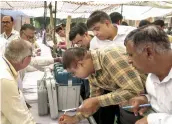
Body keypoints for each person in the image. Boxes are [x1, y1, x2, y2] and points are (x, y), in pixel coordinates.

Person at [58, 47, 146, 124]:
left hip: (153, 103)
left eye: (73, 73)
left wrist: (97, 101)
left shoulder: (109, 56)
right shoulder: (92, 73)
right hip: (135, 106)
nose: (75, 76)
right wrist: (75, 118)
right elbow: (93, 103)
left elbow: (135, 89)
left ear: (80, 63)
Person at [124, 25, 172, 124]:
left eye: (131, 54)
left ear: (149, 52)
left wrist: (152, 120)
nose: (129, 60)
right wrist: (146, 99)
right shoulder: (152, 74)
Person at [1, 39, 36, 124]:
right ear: (25, 59)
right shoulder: (5, 80)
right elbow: (21, 120)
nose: (32, 58)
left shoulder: (7, 65)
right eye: (31, 56)